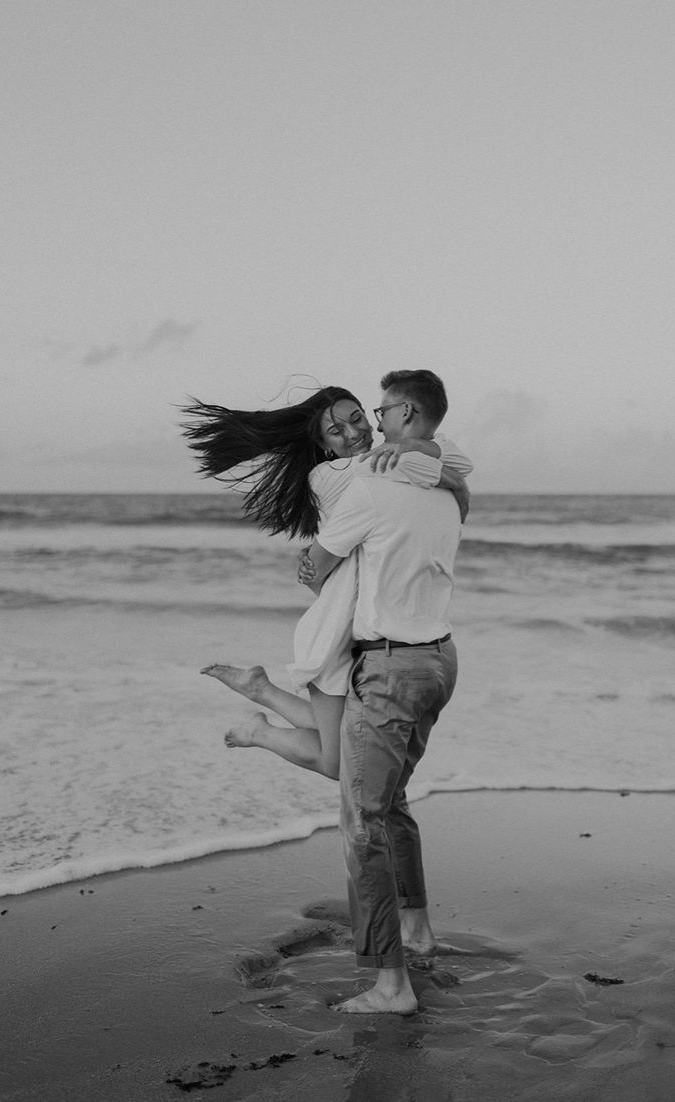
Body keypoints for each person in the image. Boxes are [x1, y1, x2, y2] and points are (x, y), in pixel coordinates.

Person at [182, 386, 472, 782]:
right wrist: (454, 483)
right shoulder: (335, 474)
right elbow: (458, 460)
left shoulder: (378, 465)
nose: (355, 433)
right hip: (335, 636)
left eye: (357, 419)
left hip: (361, 628)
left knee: (341, 739)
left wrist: (427, 462)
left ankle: (259, 689)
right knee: (337, 761)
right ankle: (260, 728)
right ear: (324, 446)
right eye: (337, 431)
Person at [297, 370, 462, 1014]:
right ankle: (417, 930)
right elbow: (453, 468)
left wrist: (317, 575)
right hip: (440, 661)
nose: (373, 420)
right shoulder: (450, 491)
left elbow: (317, 564)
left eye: (379, 409)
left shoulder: (363, 487)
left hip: (391, 668)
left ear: (406, 412)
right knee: (391, 806)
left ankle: (391, 986)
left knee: (362, 821)